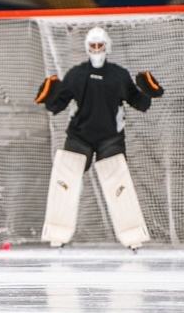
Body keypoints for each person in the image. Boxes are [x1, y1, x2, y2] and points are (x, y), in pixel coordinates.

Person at [35, 26, 164, 250]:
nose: (96, 50)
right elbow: (58, 104)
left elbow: (139, 103)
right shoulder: (76, 74)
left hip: (110, 138)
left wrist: (148, 93)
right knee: (64, 181)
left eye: (100, 45)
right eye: (93, 46)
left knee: (119, 185)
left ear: (107, 47)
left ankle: (133, 236)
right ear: (87, 48)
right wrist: (48, 97)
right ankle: (57, 234)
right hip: (79, 136)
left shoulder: (118, 75)